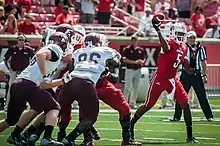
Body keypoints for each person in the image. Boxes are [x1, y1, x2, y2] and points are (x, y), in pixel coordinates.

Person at [39, 33, 121, 146]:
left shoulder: (78, 51)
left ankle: (35, 134)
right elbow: (116, 64)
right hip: (86, 82)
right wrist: (107, 63)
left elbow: (72, 67)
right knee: (91, 116)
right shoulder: (106, 50)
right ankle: (69, 139)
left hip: (70, 82)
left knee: (57, 110)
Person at [130, 20, 199, 143]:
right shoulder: (168, 43)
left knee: (186, 104)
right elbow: (166, 48)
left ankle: (190, 136)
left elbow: (189, 70)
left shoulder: (183, 47)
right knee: (148, 105)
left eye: (182, 34)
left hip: (173, 79)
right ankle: (131, 125)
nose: (181, 36)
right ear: (172, 33)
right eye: (178, 33)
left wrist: (193, 58)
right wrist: (158, 31)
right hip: (160, 78)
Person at [0, 32, 69, 146]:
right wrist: (44, 75)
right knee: (54, 107)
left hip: (18, 84)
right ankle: (47, 138)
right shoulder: (55, 48)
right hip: (28, 84)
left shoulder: (48, 56)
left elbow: (43, 85)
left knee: (11, 120)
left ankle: (15, 136)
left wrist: (62, 81)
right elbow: (40, 55)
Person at [170, 31, 214, 122]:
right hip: (186, 74)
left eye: (193, 37)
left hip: (197, 74)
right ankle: (177, 116)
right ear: (187, 38)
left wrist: (204, 74)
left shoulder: (200, 48)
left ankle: (209, 116)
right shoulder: (183, 47)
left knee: (202, 96)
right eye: (190, 37)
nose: (192, 39)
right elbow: (179, 60)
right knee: (180, 95)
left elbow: (203, 62)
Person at [4, 34, 34, 111]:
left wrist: (30, 69)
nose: (21, 41)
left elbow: (34, 59)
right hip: (14, 71)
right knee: (11, 88)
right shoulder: (12, 49)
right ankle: (7, 106)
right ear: (17, 40)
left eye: (23, 40)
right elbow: (5, 59)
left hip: (24, 73)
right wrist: (9, 69)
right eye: (20, 40)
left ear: (25, 41)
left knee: (25, 88)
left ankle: (26, 106)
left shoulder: (28, 50)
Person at [123, 36, 146, 109]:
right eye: (133, 41)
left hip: (138, 70)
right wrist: (134, 62)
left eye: (135, 41)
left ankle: (132, 103)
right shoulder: (127, 49)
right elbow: (124, 59)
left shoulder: (140, 50)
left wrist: (141, 62)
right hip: (130, 69)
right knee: (127, 87)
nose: (134, 42)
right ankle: (125, 103)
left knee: (135, 87)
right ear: (131, 41)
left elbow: (144, 58)